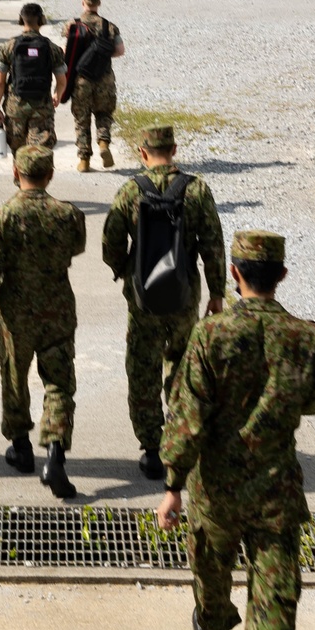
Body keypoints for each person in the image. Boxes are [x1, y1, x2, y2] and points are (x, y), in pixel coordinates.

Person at [157, 230, 315, 630]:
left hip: (216, 494)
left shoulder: (211, 334)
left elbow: (186, 415)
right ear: (280, 275)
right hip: (276, 494)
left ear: (234, 273)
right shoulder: (306, 338)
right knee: (275, 606)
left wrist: (172, 483)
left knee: (210, 574)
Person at [102, 124, 225, 480]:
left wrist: (126, 271)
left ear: (142, 152)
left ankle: (151, 450)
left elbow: (111, 243)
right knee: (183, 367)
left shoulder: (130, 191)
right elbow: (213, 246)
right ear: (173, 150)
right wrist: (216, 292)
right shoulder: (196, 189)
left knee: (143, 369)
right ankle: (181, 439)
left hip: (143, 299)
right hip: (184, 296)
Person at [0, 145, 86, 499]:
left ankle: (20, 448)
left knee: (15, 376)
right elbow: (76, 248)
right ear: (50, 175)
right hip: (58, 310)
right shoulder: (68, 215)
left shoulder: (1, 217)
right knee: (59, 383)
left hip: (16, 314)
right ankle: (55, 454)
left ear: (15, 174)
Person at [62, 0, 125, 172]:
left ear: (83, 2)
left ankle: (84, 160)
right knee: (104, 113)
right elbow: (120, 51)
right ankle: (104, 143)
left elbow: (66, 52)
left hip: (81, 80)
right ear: (99, 3)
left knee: (82, 119)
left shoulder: (72, 25)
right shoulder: (109, 26)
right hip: (104, 79)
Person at [0, 3, 67, 159]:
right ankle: (36, 181)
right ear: (41, 20)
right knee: (39, 154)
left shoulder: (9, 46)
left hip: (16, 108)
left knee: (19, 153)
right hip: (42, 107)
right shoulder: (52, 48)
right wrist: (57, 95)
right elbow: (61, 80)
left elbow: (0, 82)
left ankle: (20, 180)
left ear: (21, 20)